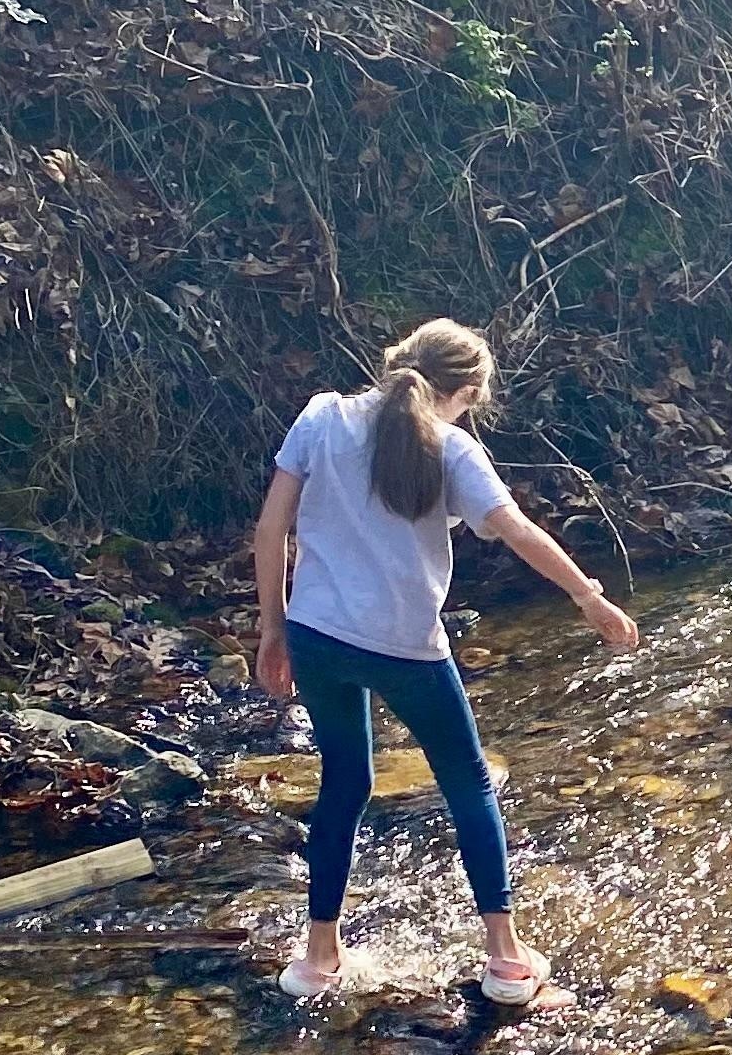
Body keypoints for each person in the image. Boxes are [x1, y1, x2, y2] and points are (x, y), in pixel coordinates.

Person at [251, 317, 636, 1007]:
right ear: (462, 392)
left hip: (317, 636)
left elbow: (272, 527)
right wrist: (589, 598)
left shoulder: (322, 416)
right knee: (469, 785)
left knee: (344, 784)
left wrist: (272, 630)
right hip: (405, 650)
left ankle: (316, 960)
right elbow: (515, 529)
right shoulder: (452, 448)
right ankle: (508, 962)